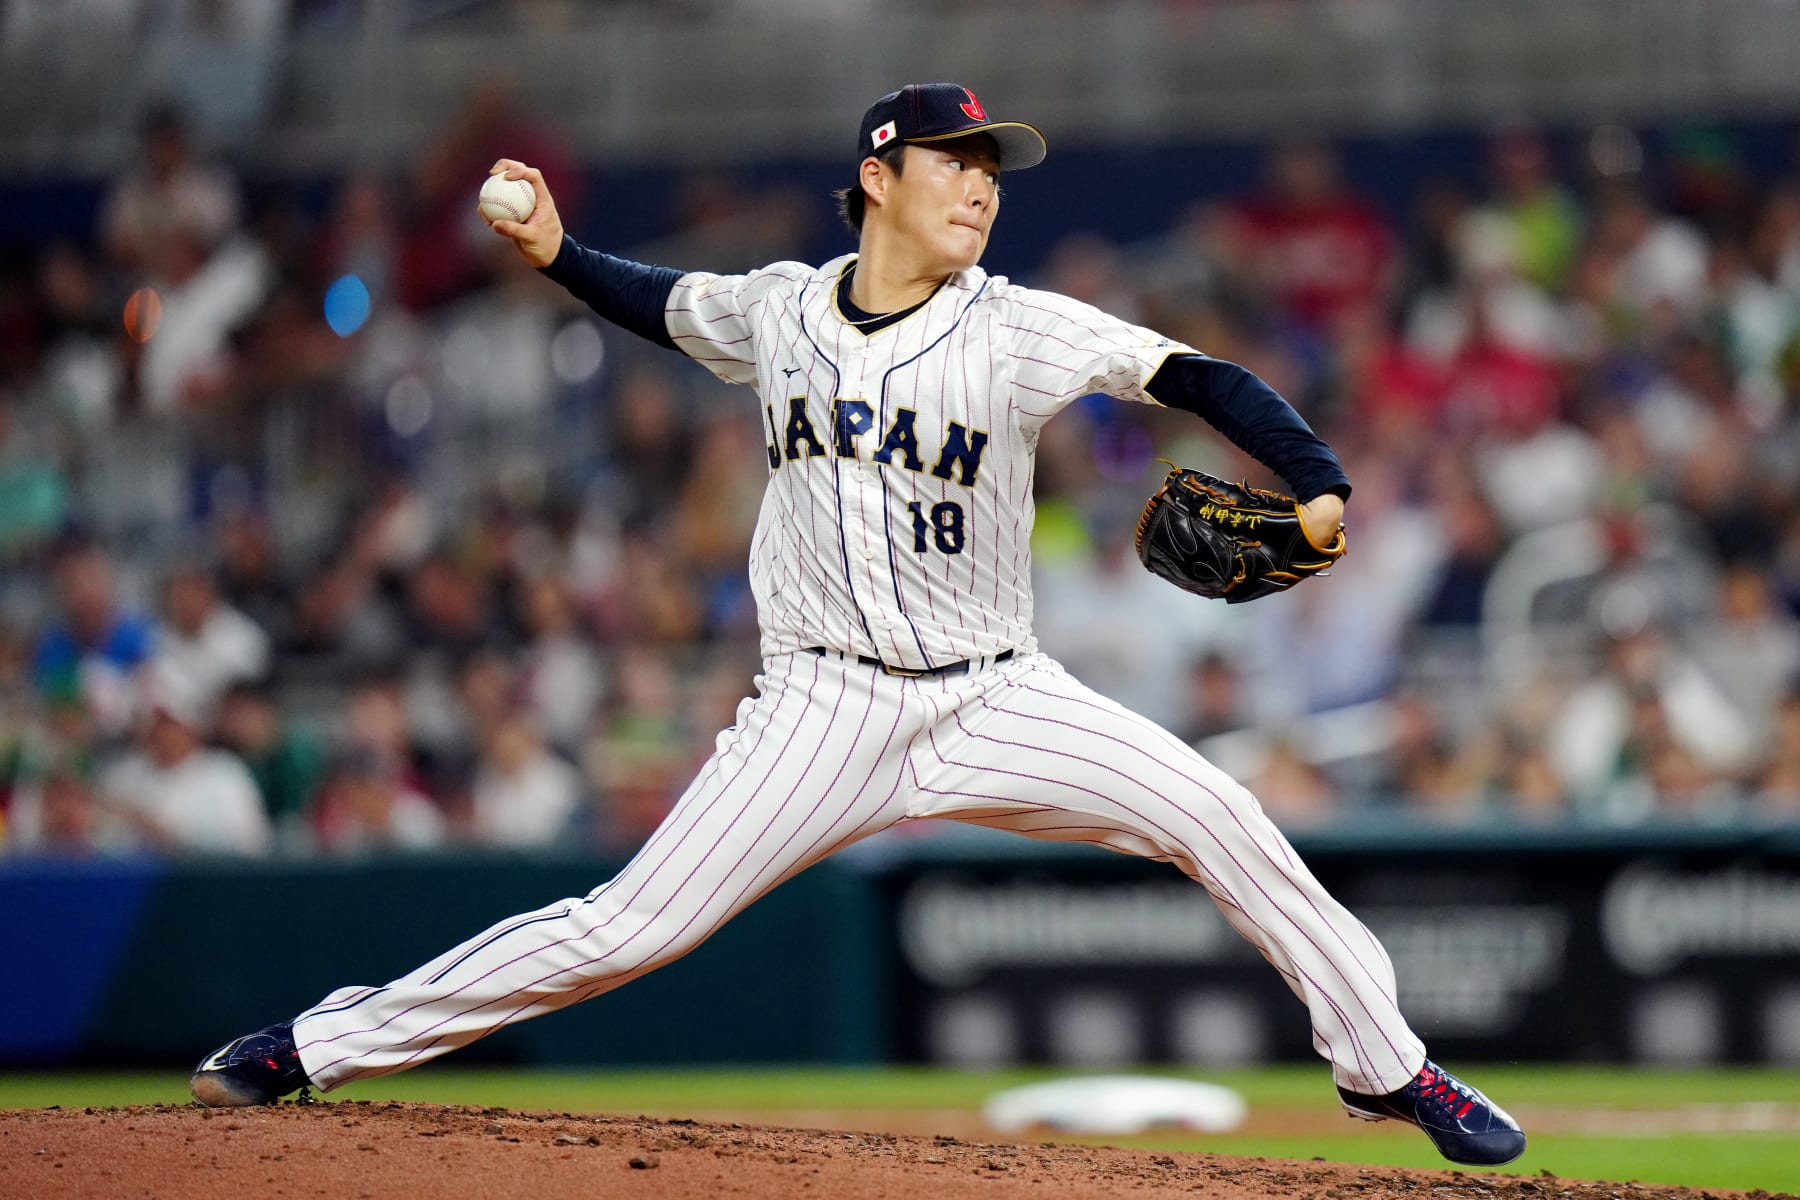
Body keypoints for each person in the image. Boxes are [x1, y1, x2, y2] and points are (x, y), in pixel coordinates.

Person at [190, 83, 1525, 1167]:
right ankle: (317, 1047)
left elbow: (1190, 372)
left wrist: (1319, 482)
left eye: (992, 170)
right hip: (821, 707)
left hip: (999, 695)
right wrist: (551, 252)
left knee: (1220, 815)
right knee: (622, 933)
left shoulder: (1013, 329)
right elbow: (657, 303)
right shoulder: (780, 308)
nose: (982, 186)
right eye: (956, 162)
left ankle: (1388, 1069)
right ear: (880, 174)